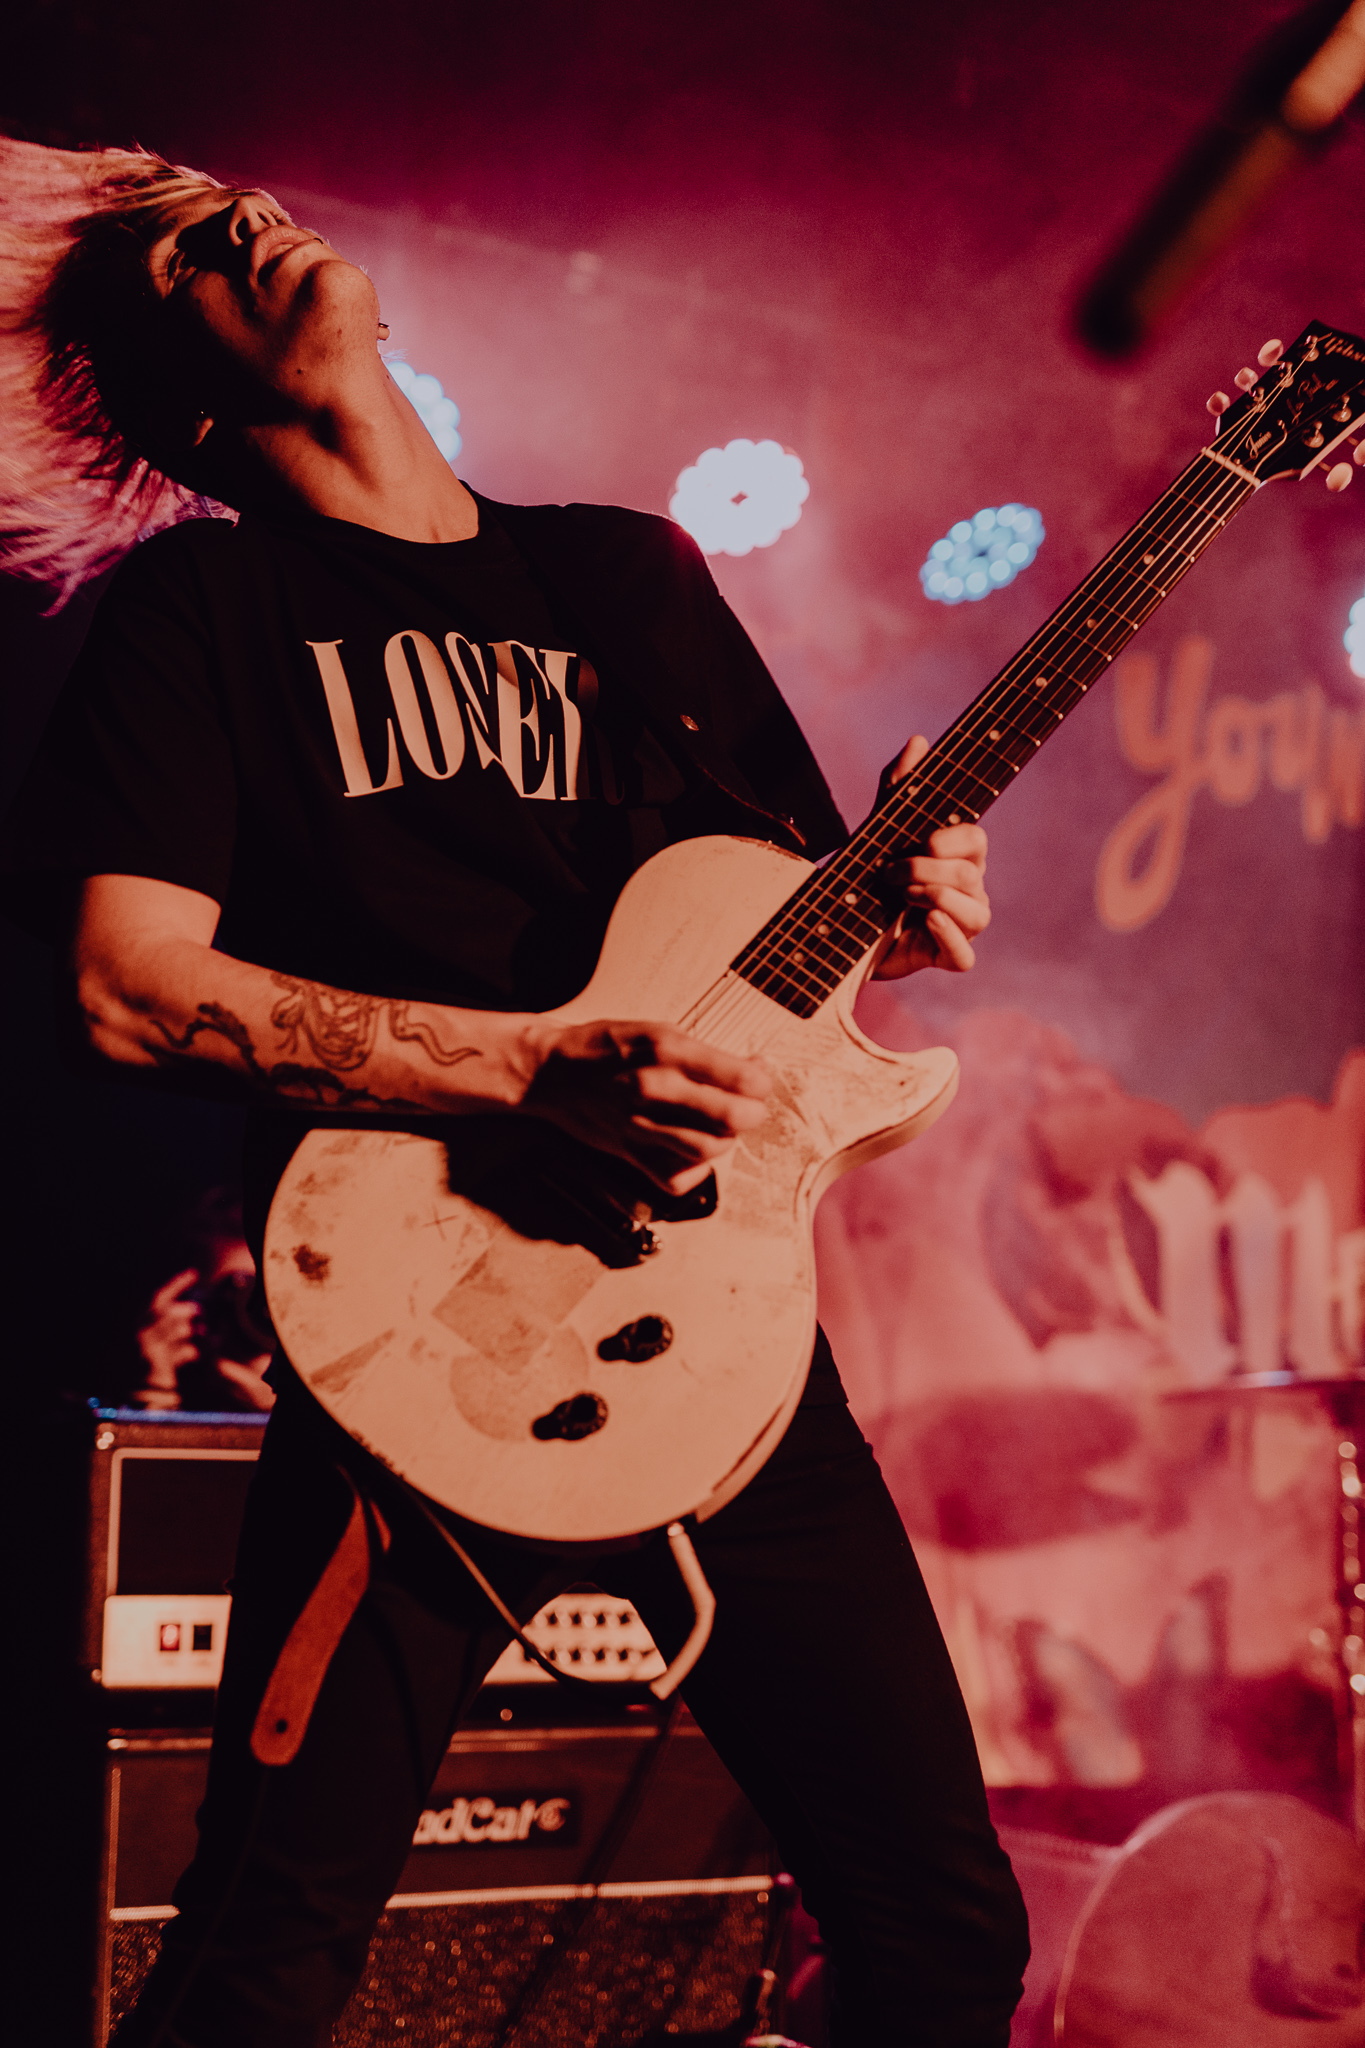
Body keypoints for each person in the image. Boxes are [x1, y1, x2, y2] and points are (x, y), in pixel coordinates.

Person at [0, 140, 1028, 2047]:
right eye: (186, 256)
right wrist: (518, 1071)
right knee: (260, 1969)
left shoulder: (628, 573)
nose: (243, 219)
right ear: (184, 400)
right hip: (420, 1335)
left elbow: (771, 961)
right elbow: (123, 985)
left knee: (947, 1935)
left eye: (235, 202)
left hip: (723, 1351)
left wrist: (900, 905)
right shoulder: (201, 612)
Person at [132, 1188, 275, 1413]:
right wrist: (157, 1386)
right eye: (239, 1291)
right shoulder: (185, 1376)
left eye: (272, 1296)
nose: (262, 1312)